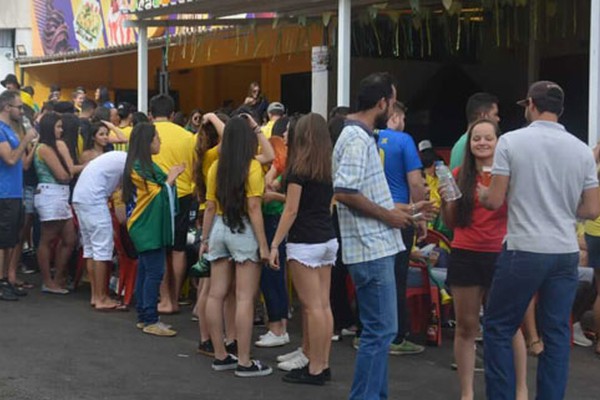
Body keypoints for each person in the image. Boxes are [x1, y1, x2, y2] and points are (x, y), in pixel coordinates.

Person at [478, 81, 600, 400]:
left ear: (531, 104)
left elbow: (494, 199)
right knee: (557, 334)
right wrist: (561, 205)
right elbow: (592, 208)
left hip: (524, 247)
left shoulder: (512, 142)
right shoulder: (581, 149)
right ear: (559, 109)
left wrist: (481, 193)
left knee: (498, 327)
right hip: (564, 251)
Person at [332, 72, 411, 399]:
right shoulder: (356, 138)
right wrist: (390, 215)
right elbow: (346, 190)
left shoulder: (359, 135)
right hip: (370, 247)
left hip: (371, 245)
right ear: (382, 103)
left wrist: (402, 210)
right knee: (381, 332)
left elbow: (356, 190)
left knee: (381, 332)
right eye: (392, 100)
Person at [441, 119, 528, 400]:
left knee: (507, 326)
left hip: (502, 252)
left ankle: (520, 389)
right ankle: (467, 393)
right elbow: (451, 223)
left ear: (498, 141)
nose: (482, 143)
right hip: (466, 253)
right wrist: (446, 201)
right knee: (466, 326)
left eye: (488, 138)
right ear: (469, 144)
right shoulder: (458, 174)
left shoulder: (510, 174)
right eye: (476, 138)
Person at [200, 115, 273, 377]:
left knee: (215, 294)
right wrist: (264, 246)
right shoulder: (252, 167)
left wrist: (204, 239)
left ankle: (220, 355)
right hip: (243, 230)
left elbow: (209, 207)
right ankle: (244, 361)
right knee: (244, 297)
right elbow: (254, 208)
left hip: (219, 227)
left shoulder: (215, 167)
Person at [269, 113, 337, 385]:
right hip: (327, 239)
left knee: (312, 308)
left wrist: (275, 243)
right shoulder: (328, 168)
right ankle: (323, 363)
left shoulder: (298, 170)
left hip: (304, 241)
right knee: (323, 305)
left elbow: (291, 209)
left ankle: (315, 368)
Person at [122, 123, 185, 336]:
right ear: (147, 142)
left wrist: (169, 181)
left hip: (146, 225)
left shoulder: (143, 165)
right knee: (155, 272)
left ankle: (144, 314)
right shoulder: (139, 167)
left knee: (145, 271)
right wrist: (171, 179)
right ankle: (150, 319)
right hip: (145, 225)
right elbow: (156, 195)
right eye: (156, 138)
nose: (160, 141)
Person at [377, 100, 428, 356]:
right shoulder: (404, 141)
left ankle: (369, 331)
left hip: (372, 214)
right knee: (398, 277)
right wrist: (419, 215)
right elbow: (416, 183)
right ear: (395, 117)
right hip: (400, 214)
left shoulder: (367, 138)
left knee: (376, 275)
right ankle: (396, 336)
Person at [149, 94, 197, 314]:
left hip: (156, 195)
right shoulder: (189, 136)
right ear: (172, 114)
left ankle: (164, 298)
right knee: (178, 249)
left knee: (159, 249)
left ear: (150, 114)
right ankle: (176, 297)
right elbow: (196, 170)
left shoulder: (147, 134)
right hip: (183, 194)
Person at [73, 151, 128, 310]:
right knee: (102, 250)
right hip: (94, 200)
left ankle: (96, 296)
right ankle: (102, 298)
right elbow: (125, 192)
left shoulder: (118, 157)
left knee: (91, 249)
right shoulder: (129, 161)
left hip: (81, 198)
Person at [34, 112, 78, 294]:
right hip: (50, 194)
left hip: (59, 195)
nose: (61, 130)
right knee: (48, 238)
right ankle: (48, 281)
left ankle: (57, 277)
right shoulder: (44, 148)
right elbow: (63, 175)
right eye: (58, 126)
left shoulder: (51, 146)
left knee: (70, 238)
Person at [0, 90, 38, 301]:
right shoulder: (0, 130)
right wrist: (26, 141)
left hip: (14, 191)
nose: (21, 111)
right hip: (4, 192)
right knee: (3, 240)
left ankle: (6, 278)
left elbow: (23, 164)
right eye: (19, 107)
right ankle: (1, 281)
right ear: (7, 107)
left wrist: (29, 144)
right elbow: (10, 159)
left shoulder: (9, 130)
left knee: (11, 240)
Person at [449, 92, 500, 170]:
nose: (498, 119)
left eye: (489, 139)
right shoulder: (465, 145)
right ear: (484, 116)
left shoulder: (460, 144)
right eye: (495, 114)